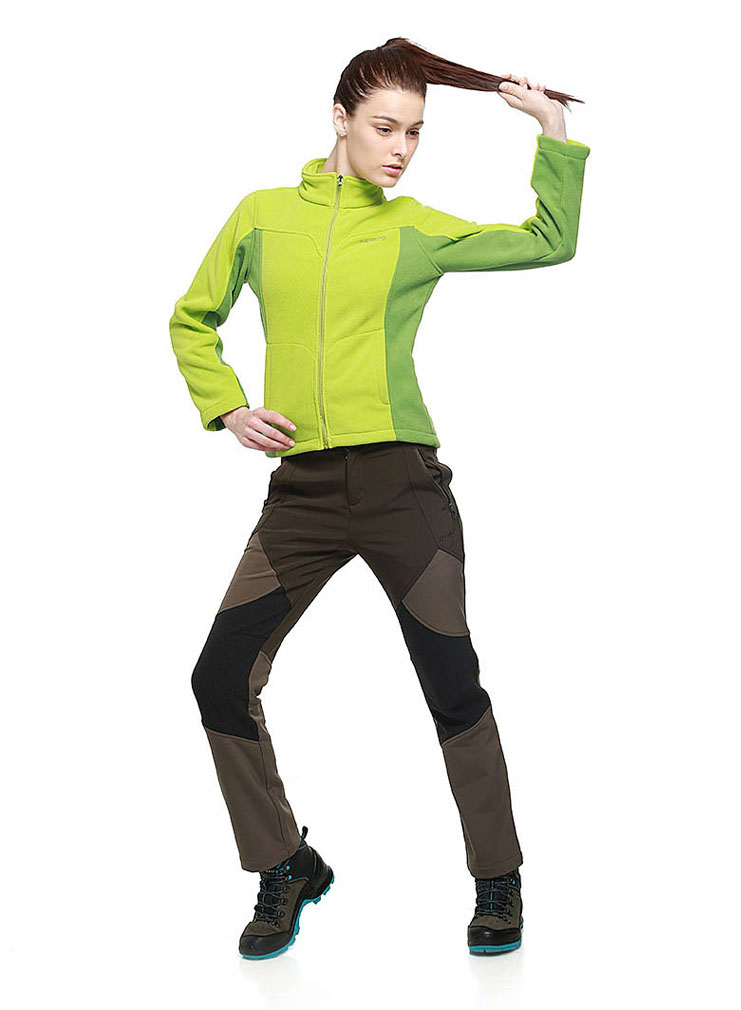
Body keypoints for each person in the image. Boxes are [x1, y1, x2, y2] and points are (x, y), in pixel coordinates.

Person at [169, 37, 590, 961]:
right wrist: (227, 405)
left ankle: (498, 878)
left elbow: (548, 241)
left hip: (405, 490)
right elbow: (192, 319)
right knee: (219, 677)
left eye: (416, 133)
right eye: (385, 127)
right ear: (340, 118)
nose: (401, 149)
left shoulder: (412, 228)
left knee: (451, 684)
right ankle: (285, 864)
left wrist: (553, 133)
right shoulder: (261, 217)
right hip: (302, 496)